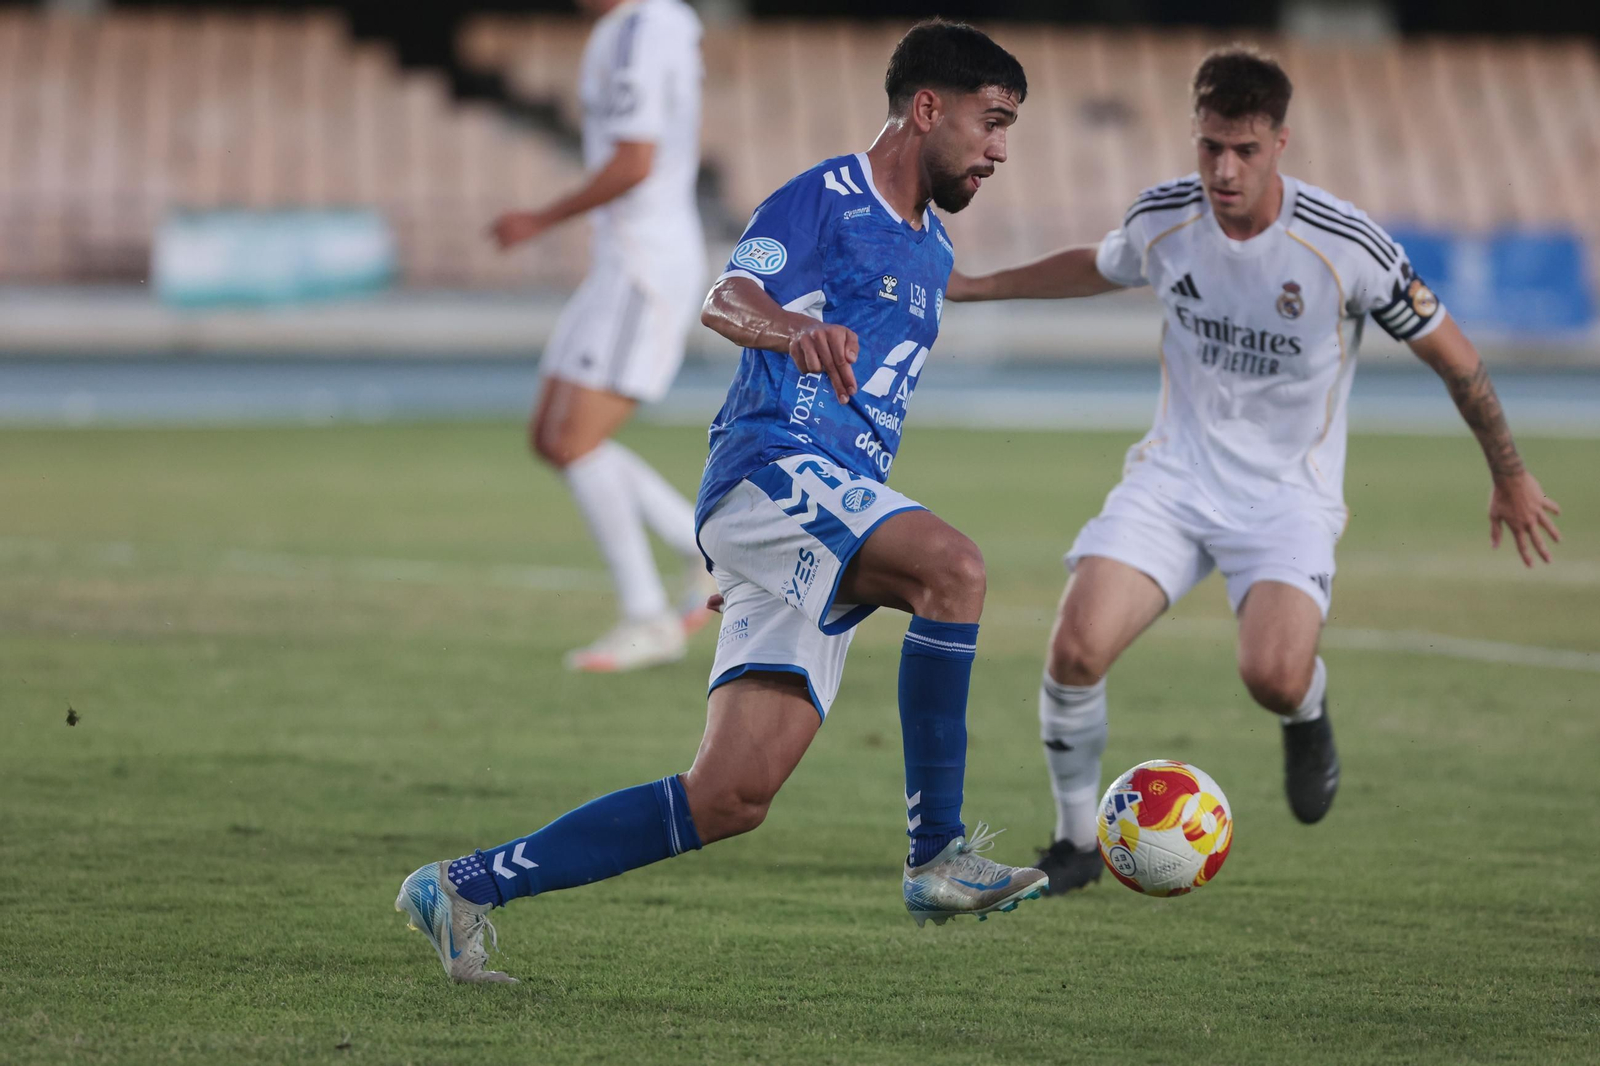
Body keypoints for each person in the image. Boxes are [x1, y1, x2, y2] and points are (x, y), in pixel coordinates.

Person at [397, 20, 1048, 984]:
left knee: (731, 796)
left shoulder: (930, 249)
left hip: (812, 515)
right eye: (992, 122)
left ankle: (457, 888)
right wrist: (788, 332)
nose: (1001, 149)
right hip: (769, 469)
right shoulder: (826, 197)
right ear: (927, 108)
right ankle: (938, 853)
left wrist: (1126, 263)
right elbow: (726, 296)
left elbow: (986, 287)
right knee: (954, 570)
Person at [949, 46, 1562, 895]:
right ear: (1194, 138)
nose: (1223, 169)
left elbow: (1457, 360)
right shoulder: (1166, 219)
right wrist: (976, 286)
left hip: (1287, 499)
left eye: (1243, 150)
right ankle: (1074, 843)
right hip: (1173, 481)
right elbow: (1100, 263)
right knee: (1075, 651)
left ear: (1280, 143)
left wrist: (1511, 474)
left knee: (1269, 675)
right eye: (1209, 148)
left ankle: (1306, 711)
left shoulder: (1347, 248)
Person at [491, 0, 714, 673]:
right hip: (623, 262)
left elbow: (633, 161)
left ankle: (648, 616)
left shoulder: (638, 31)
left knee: (571, 440)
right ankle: (705, 557)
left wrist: (539, 218)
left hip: (640, 267)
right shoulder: (660, 21)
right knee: (550, 438)